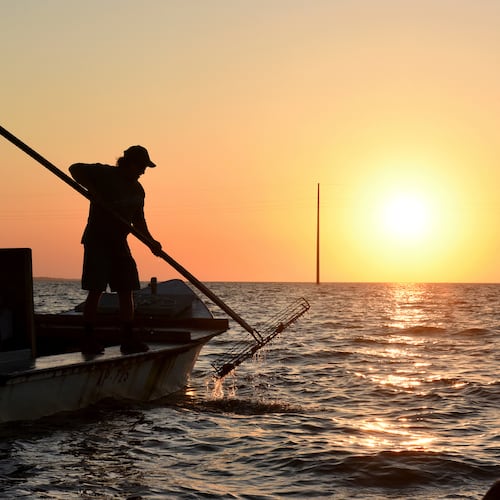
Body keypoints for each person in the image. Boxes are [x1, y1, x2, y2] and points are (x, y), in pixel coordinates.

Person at [69, 145, 162, 355]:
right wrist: (94, 191)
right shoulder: (105, 173)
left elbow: (139, 222)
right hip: (97, 241)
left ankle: (128, 339)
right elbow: (74, 168)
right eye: (141, 166)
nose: (143, 171)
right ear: (129, 163)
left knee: (126, 288)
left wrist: (151, 243)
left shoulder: (138, 191)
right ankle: (88, 338)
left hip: (119, 243)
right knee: (96, 289)